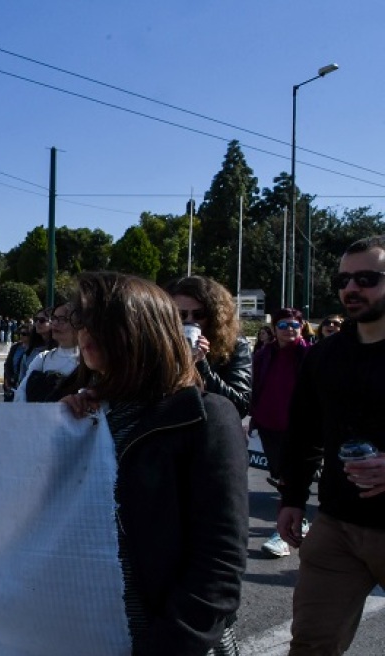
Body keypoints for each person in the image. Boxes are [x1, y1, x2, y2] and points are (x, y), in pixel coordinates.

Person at [60, 271, 247, 654]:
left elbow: (218, 566)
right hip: (83, 630)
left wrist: (168, 646)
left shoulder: (205, 417)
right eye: (82, 318)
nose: (87, 330)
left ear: (145, 326)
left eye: (104, 319)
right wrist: (57, 429)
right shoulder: (78, 412)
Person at [276, 235, 385, 654]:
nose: (350, 288)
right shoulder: (324, 355)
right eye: (343, 279)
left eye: (367, 278)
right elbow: (303, 429)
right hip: (338, 525)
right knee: (311, 644)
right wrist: (292, 498)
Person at [250, 308, 310, 557]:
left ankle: (286, 532)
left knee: (289, 477)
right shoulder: (264, 355)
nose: (290, 330)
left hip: (300, 427)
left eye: (294, 325)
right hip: (268, 424)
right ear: (274, 329)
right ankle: (297, 521)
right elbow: (254, 386)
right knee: (281, 477)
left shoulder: (310, 354)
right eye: (284, 325)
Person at [166, 276, 253, 416]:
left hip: (210, 428)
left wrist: (201, 364)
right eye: (180, 314)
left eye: (199, 314)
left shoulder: (235, 344)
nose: (189, 320)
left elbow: (240, 404)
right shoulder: (160, 342)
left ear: (213, 315)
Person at [14, 302, 80, 403]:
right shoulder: (43, 358)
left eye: (62, 319)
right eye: (54, 318)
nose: (55, 323)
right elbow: (21, 393)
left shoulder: (87, 362)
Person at [2, 325, 33, 401]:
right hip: (12, 384)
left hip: (24, 384)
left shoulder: (34, 350)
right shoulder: (15, 347)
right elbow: (7, 365)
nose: (21, 336)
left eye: (24, 334)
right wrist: (7, 380)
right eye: (20, 333)